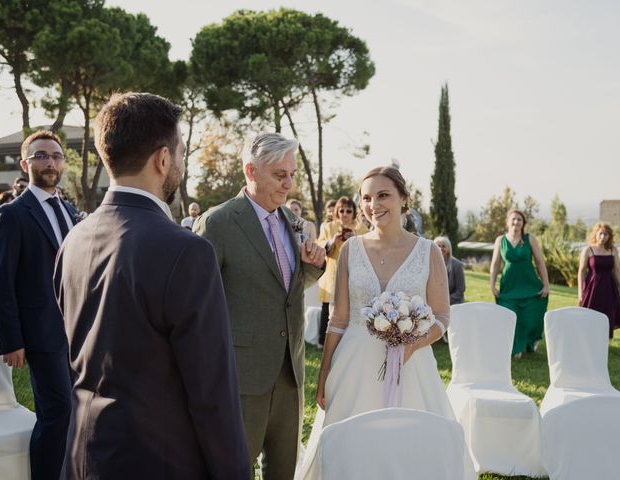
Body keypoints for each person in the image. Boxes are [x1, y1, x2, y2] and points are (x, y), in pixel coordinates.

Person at [53, 92, 249, 480]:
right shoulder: (186, 251)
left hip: (81, 455)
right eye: (180, 154)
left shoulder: (72, 240)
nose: (179, 164)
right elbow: (212, 394)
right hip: (157, 461)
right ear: (163, 160)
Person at [300, 166, 475, 479]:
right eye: (366, 197)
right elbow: (339, 319)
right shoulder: (351, 249)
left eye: (383, 195)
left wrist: (413, 344)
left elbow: (442, 316)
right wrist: (325, 371)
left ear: (404, 199)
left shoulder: (428, 252)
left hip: (411, 366)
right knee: (350, 449)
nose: (373, 204)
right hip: (353, 364)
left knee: (409, 447)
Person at [194, 132, 326, 479]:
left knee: (283, 471)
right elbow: (195, 300)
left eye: (292, 174)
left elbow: (282, 289)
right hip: (239, 376)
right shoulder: (218, 222)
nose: (289, 184)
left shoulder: (291, 222)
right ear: (250, 171)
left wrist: (312, 265)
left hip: (290, 373)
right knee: (232, 470)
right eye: (280, 175)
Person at [0, 130, 76, 480]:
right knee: (57, 412)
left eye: (55, 156)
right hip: (41, 333)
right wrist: (11, 340)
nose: (50, 162)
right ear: (26, 164)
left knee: (78, 410)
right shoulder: (12, 214)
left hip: (79, 331)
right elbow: (1, 280)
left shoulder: (70, 211)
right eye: (41, 155)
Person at [490, 209, 550, 359]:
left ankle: (532, 340)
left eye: (519, 220)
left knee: (531, 318)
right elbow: (495, 264)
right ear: (507, 221)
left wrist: (546, 284)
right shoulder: (500, 240)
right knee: (510, 316)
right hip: (509, 287)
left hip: (529, 285)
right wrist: (492, 284)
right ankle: (516, 347)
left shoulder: (530, 239)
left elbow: (540, 262)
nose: (516, 222)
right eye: (514, 219)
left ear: (523, 224)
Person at [316, 196, 368, 347]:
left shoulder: (361, 229)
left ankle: (347, 339)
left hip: (354, 275)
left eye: (348, 211)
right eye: (341, 210)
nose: (345, 214)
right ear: (337, 212)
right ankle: (322, 341)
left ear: (353, 212)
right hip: (331, 274)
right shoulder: (328, 227)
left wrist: (356, 239)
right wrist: (332, 242)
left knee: (350, 307)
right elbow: (319, 245)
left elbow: (370, 250)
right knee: (327, 309)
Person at [578, 222, 620, 338]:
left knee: (607, 315)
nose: (603, 237)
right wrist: (580, 292)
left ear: (609, 236)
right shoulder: (588, 249)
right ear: (595, 234)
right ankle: (587, 339)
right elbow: (581, 271)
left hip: (608, 288)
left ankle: (602, 342)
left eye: (606, 235)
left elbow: (616, 270)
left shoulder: (613, 250)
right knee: (588, 315)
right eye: (601, 234)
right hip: (592, 288)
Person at [434, 236, 465, 305]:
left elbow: (460, 291)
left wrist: (443, 301)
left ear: (449, 248)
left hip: (454, 304)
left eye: (443, 246)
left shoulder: (457, 265)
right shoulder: (431, 264)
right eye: (438, 246)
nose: (441, 248)